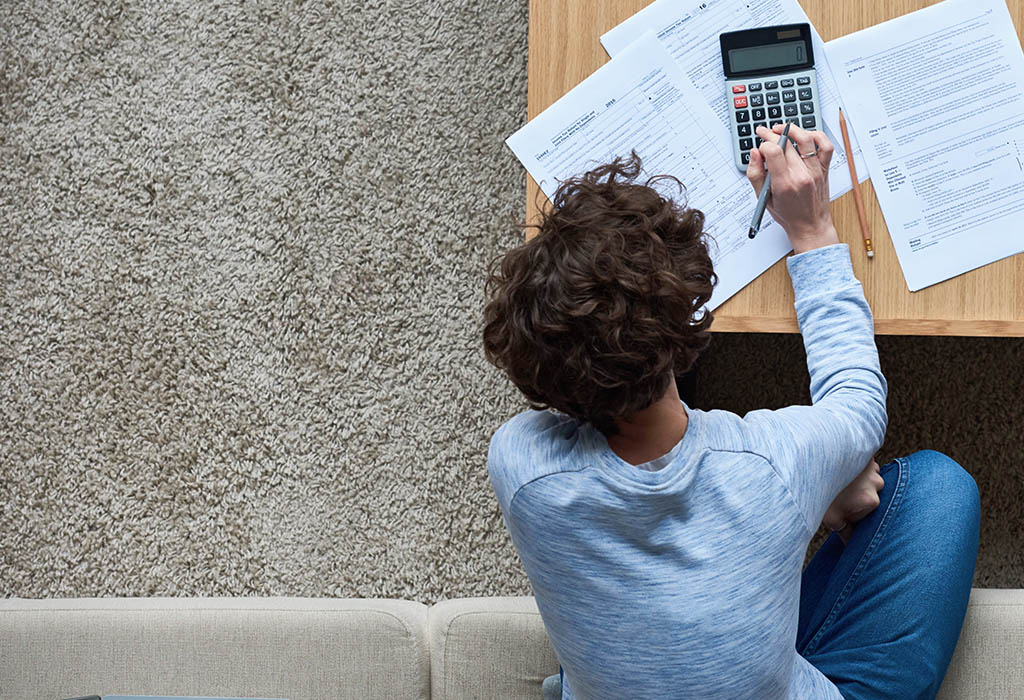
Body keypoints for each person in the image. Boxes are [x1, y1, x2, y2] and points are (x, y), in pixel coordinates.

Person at [481, 122, 980, 699]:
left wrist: (813, 491)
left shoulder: (520, 464)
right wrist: (813, 231)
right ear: (690, 317)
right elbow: (859, 403)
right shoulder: (772, 464)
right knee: (939, 486)